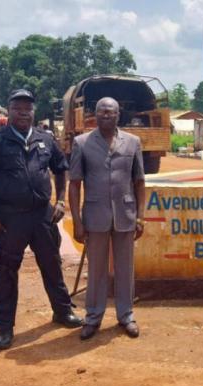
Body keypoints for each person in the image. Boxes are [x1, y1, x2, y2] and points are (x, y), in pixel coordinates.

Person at [0, 89, 83, 350]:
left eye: (28, 109)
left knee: (52, 264)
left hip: (42, 215)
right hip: (10, 218)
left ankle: (62, 311)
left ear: (34, 112)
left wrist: (61, 201)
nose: (23, 113)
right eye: (18, 108)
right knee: (7, 271)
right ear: (9, 111)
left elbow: (60, 169)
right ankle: (5, 328)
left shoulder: (45, 138)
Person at [69, 97, 145, 340]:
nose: (106, 115)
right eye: (102, 111)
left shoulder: (133, 143)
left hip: (125, 215)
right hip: (95, 216)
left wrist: (141, 217)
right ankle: (93, 317)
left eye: (111, 112)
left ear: (118, 114)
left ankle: (126, 316)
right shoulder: (81, 143)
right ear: (95, 114)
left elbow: (139, 182)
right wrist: (78, 222)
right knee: (97, 270)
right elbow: (74, 184)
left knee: (125, 268)